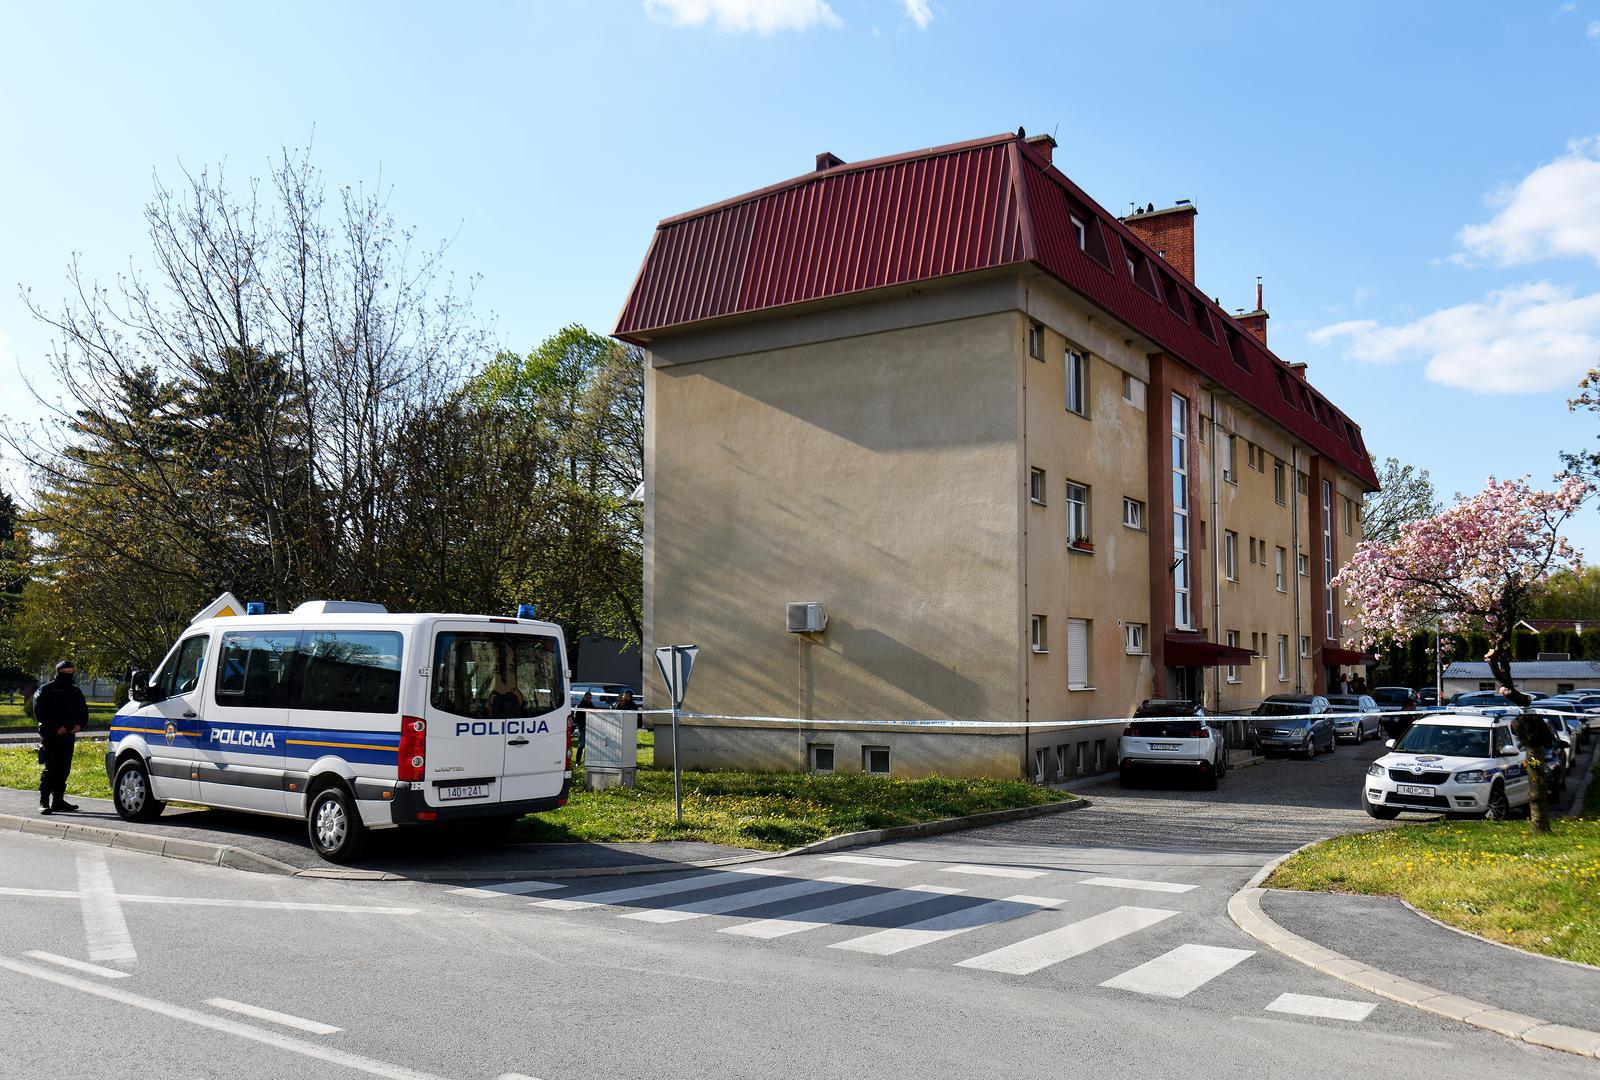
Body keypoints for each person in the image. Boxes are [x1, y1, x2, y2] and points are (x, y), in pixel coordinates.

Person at [34, 660, 86, 814]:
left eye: (71, 673)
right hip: (52, 736)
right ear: (59, 672)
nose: (69, 676)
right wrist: (56, 727)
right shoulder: (46, 690)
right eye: (66, 673)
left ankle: (58, 800)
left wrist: (79, 725)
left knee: (64, 769)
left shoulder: (75, 691)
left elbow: (83, 711)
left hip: (68, 736)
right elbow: (40, 713)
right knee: (51, 768)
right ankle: (44, 802)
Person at [573, 692, 593, 765]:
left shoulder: (591, 705)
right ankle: (577, 761)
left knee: (589, 746)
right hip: (582, 728)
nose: (589, 699)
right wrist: (582, 726)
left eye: (590, 698)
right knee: (581, 745)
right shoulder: (579, 706)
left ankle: (586, 761)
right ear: (584, 697)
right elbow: (576, 719)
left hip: (590, 728)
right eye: (587, 697)